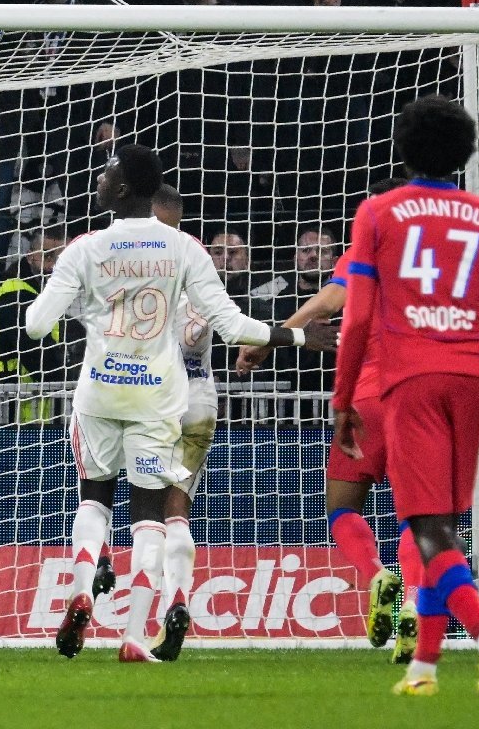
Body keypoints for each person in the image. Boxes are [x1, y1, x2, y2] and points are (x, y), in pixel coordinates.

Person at [26, 145, 325, 662]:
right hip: (158, 398)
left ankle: (81, 591)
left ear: (123, 189)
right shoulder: (185, 248)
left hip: (99, 391)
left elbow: (35, 325)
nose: (99, 179)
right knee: (150, 515)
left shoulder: (86, 247)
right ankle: (133, 637)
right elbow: (231, 326)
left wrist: (89, 308)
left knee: (94, 499)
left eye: (107, 173)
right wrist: (296, 337)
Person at [332, 96, 479, 697]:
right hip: (474, 377)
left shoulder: (379, 212)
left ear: (403, 150)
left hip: (411, 379)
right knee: (441, 525)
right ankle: (423, 669)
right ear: (467, 152)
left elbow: (357, 318)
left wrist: (343, 400)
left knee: (426, 526)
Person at [236, 179, 421, 662]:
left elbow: (326, 303)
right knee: (421, 515)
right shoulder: (435, 259)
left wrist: (272, 339)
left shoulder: (362, 254)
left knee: (341, 509)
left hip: (365, 400)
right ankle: (414, 603)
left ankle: (377, 575)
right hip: (420, 398)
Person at [147, 184, 332, 661]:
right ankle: (177, 600)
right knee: (177, 508)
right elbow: (233, 327)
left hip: (145, 398)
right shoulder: (199, 268)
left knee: (140, 512)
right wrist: (293, 336)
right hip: (197, 398)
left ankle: (126, 600)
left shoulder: (131, 266)